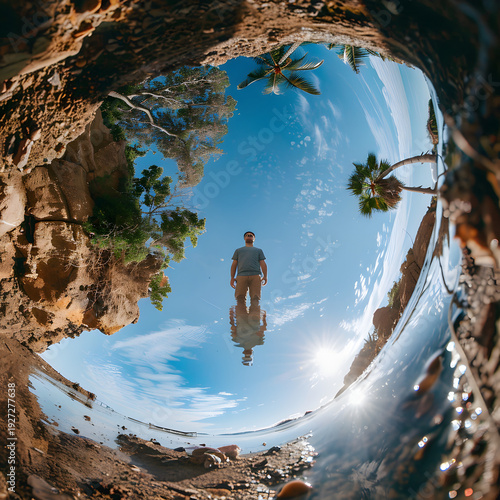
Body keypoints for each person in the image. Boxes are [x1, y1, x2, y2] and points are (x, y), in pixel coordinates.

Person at [230, 231, 267, 303]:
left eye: (251, 235)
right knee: (239, 298)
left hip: (256, 276)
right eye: (247, 235)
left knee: (255, 298)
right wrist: (232, 277)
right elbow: (234, 264)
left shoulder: (258, 250)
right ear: (244, 238)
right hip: (241, 276)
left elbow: (263, 263)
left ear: (254, 239)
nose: (249, 236)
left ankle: (255, 314)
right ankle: (240, 314)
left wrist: (265, 276)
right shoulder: (238, 251)